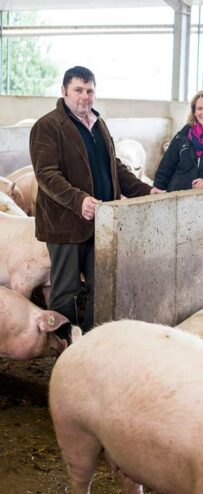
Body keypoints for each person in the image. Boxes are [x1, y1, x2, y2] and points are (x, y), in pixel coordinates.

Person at [30, 65, 152, 338]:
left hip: (101, 222)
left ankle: (93, 339)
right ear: (63, 92)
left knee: (103, 284)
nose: (85, 96)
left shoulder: (98, 123)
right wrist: (79, 200)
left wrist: (145, 190)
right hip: (66, 224)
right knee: (66, 288)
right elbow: (46, 175)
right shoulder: (48, 126)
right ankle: (63, 345)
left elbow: (114, 167)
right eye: (78, 90)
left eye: (89, 90)